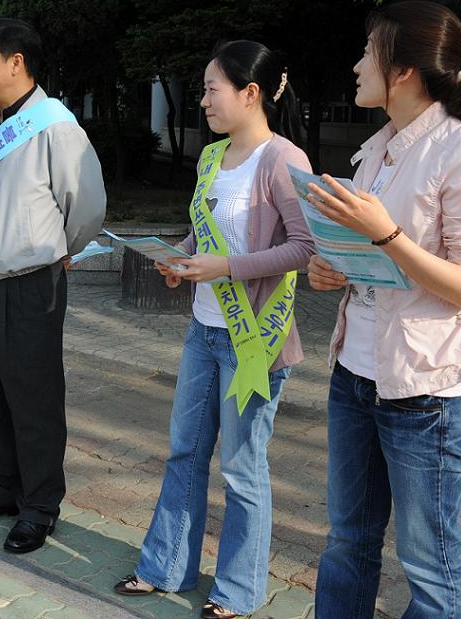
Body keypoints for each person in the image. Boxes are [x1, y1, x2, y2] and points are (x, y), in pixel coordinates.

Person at [113, 41, 314, 618]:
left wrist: (222, 267)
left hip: (254, 342)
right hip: (203, 332)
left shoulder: (284, 160)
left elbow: (302, 249)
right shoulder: (211, 157)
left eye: (211, 89)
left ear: (250, 93)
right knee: (185, 452)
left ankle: (238, 592)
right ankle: (164, 567)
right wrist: (178, 258)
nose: (201, 101)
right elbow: (202, 233)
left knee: (242, 469)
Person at [306, 1, 461, 618]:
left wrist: (385, 237)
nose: (356, 66)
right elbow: (378, 267)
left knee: (429, 568)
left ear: (403, 69)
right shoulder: (378, 149)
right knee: (347, 543)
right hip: (355, 374)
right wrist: (333, 268)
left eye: (367, 52)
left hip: (425, 391)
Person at [0, 18, 105, 554]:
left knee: (33, 398)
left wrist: (60, 251)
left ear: (17, 62)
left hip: (31, 282)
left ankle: (39, 506)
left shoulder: (55, 126)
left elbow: (85, 208)